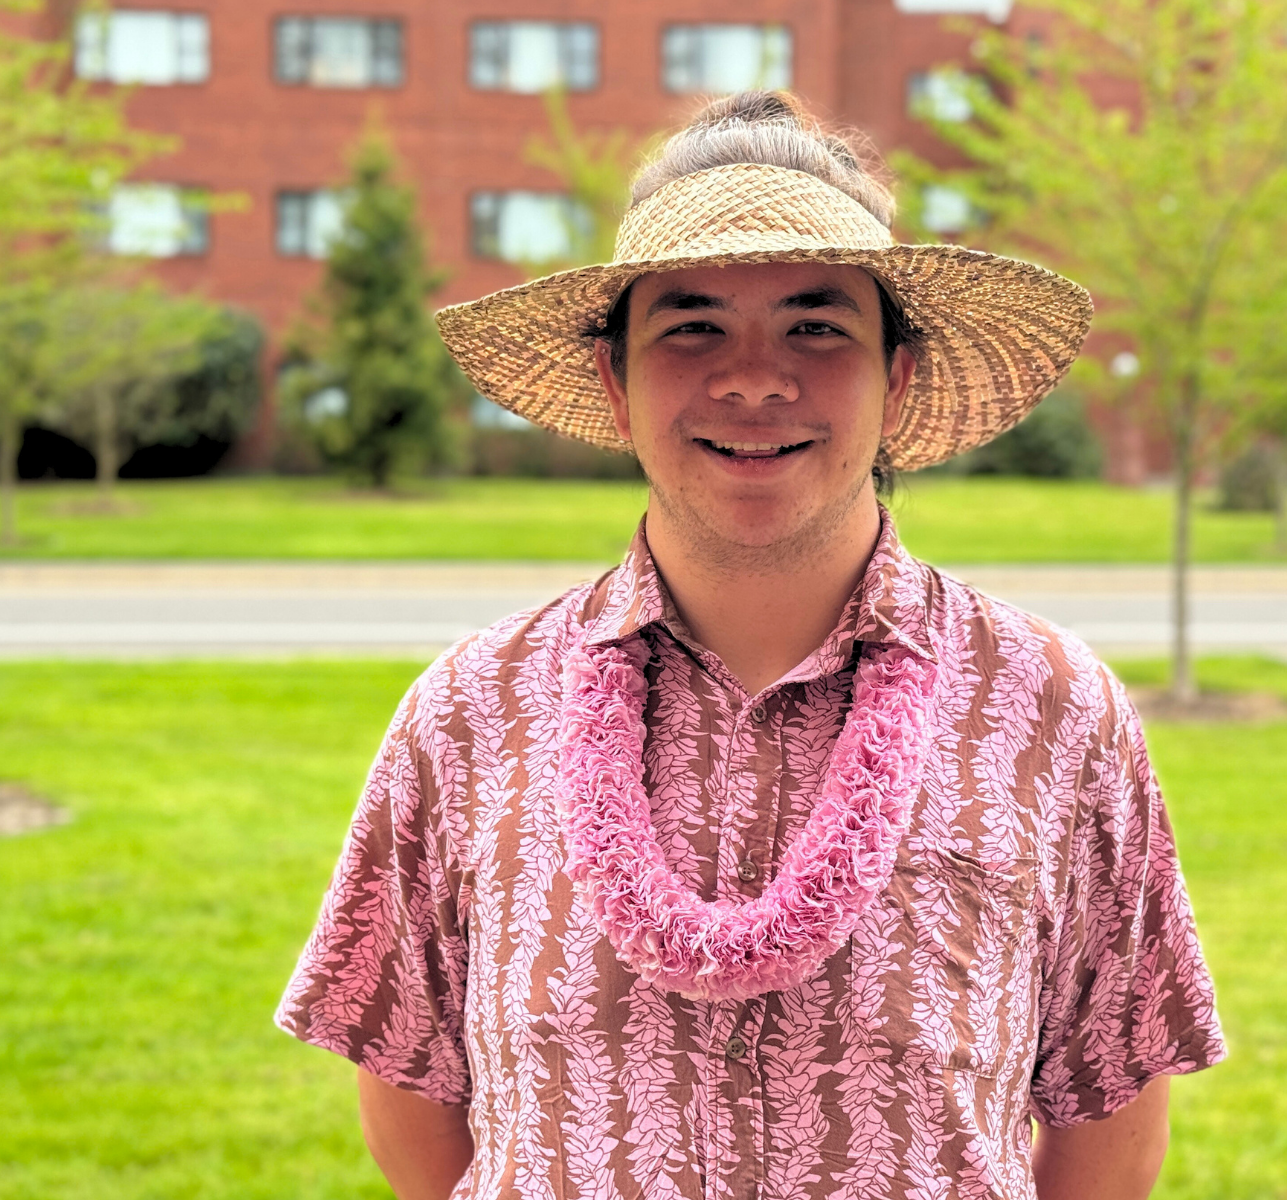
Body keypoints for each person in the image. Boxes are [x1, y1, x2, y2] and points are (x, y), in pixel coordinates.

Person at [277, 91, 1225, 1200]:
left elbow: (1109, 1102)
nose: (755, 377)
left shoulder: (1054, 710)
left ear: (899, 378)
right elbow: (410, 1088)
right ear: (614, 383)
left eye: (818, 325)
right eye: (691, 326)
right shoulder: (470, 712)